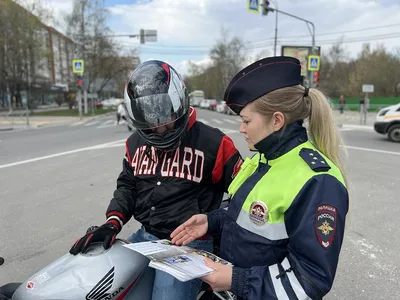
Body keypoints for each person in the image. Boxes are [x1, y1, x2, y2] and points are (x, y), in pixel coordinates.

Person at [171, 56, 349, 300]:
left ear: (276, 120)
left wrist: (237, 280)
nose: (241, 129)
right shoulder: (261, 159)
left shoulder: (318, 181)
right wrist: (210, 221)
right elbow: (245, 215)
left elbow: (310, 279)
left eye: (246, 121)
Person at [69, 60, 243, 300]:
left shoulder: (214, 144)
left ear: (178, 102)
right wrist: (112, 222)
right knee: (95, 277)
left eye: (163, 117)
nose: (158, 128)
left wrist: (213, 221)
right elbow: (128, 186)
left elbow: (246, 195)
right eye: (149, 121)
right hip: (146, 235)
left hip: (187, 243)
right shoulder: (135, 144)